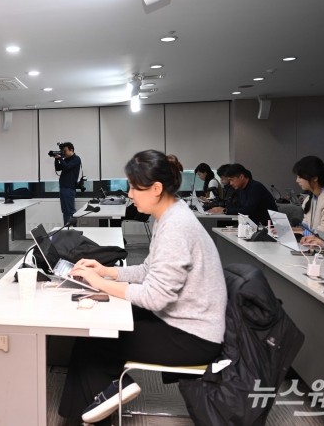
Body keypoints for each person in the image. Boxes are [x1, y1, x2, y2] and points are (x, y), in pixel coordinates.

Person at [58, 150, 226, 424]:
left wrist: (101, 283)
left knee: (96, 344)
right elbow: (149, 270)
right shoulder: (170, 215)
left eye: (135, 187)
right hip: (181, 320)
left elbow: (154, 297)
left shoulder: (176, 226)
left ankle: (110, 395)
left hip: (193, 336)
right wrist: (108, 271)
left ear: (157, 189)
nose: (131, 194)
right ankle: (82, 414)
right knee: (94, 334)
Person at [292, 156, 324, 239]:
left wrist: (300, 232)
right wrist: (289, 230)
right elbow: (306, 228)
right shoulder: (309, 199)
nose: (297, 180)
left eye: (300, 177)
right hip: (314, 245)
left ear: (315, 178)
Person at [208, 163, 277, 225]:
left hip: (268, 226)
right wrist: (222, 208)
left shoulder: (255, 187)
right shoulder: (240, 189)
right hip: (253, 224)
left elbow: (247, 210)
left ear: (241, 177)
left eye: (232, 180)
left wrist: (224, 210)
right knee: (220, 226)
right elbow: (237, 207)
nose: (231, 183)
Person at [54, 142, 81, 225]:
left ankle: (74, 232)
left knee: (71, 211)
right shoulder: (66, 159)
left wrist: (61, 159)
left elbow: (67, 167)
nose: (63, 153)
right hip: (63, 188)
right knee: (65, 211)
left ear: (71, 150)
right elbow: (58, 168)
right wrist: (56, 159)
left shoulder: (76, 159)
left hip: (69, 189)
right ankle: (66, 230)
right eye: (62, 151)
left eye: (65, 151)